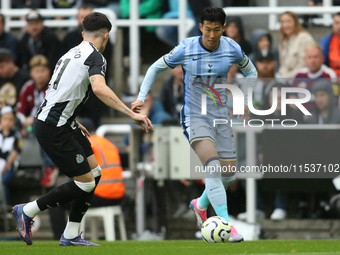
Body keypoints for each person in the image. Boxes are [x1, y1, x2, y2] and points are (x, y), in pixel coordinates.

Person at [12, 12, 153, 246]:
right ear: (106, 36)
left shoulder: (70, 53)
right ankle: (27, 210)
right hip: (54, 127)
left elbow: (59, 91)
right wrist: (131, 113)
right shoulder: (96, 57)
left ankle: (71, 235)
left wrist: (72, 117)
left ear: (83, 33)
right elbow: (99, 88)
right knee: (86, 182)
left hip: (62, 122)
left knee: (95, 173)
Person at [131, 7, 258, 242]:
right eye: (207, 29)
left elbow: (251, 71)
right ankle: (227, 227)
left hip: (221, 118)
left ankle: (199, 205)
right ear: (201, 27)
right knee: (213, 168)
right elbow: (155, 68)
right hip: (194, 117)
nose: (211, 35)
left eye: (216, 30)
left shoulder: (232, 48)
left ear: (224, 29)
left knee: (229, 176)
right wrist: (141, 96)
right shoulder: (186, 48)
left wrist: (244, 102)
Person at [49, 134, 125, 240]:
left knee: (55, 203)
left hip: (101, 193)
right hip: (118, 195)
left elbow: (79, 169)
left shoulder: (87, 144)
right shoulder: (107, 143)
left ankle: (61, 239)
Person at [63, 4, 113, 127]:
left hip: (92, 83)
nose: (84, 21)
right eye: (82, 17)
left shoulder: (102, 48)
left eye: (87, 17)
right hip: (71, 86)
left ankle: (94, 132)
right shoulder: (69, 39)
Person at [16, 55, 58, 188]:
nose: (40, 75)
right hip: (30, 128)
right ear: (31, 73)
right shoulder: (27, 88)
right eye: (36, 71)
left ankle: (50, 167)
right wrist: (23, 122)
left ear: (49, 72)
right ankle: (15, 167)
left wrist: (34, 120)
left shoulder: (54, 87)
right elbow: (20, 111)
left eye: (43, 71)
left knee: (40, 128)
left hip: (51, 125)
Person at [293, 44, 337, 113]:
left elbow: (334, 100)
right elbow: (292, 98)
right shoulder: (298, 75)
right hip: (301, 119)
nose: (312, 61)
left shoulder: (329, 75)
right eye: (309, 57)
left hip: (322, 119)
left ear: (322, 58)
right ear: (305, 59)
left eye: (315, 57)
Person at [278, 11, 315, 78]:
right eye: (283, 22)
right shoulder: (283, 41)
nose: (285, 25)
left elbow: (304, 64)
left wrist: (288, 76)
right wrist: (282, 74)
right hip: (285, 77)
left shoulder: (304, 38)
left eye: (288, 21)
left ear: (295, 23)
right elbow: (283, 64)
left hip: (301, 77)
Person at [0, 106, 22, 206]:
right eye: (5, 119)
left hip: (9, 167)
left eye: (10, 119)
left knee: (2, 180)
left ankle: (6, 206)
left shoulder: (16, 136)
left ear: (14, 122)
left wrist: (2, 170)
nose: (7, 122)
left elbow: (13, 156)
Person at [320, 12, 340, 79]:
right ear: (333, 25)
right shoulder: (326, 41)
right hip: (331, 78)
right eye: (337, 23)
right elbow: (321, 63)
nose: (339, 26)